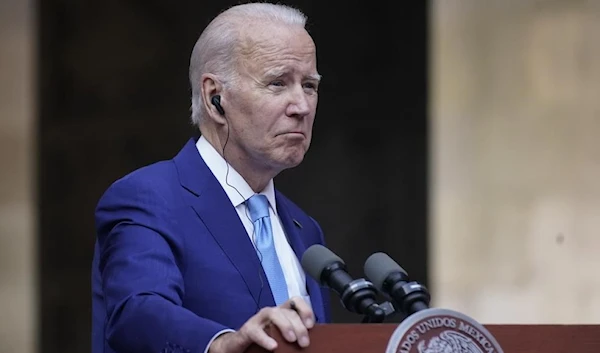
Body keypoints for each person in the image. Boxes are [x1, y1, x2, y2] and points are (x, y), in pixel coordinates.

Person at [91, 3, 331, 353]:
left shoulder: (304, 229)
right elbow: (137, 311)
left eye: (309, 85)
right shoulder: (149, 198)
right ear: (215, 98)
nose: (302, 106)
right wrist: (221, 343)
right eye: (278, 83)